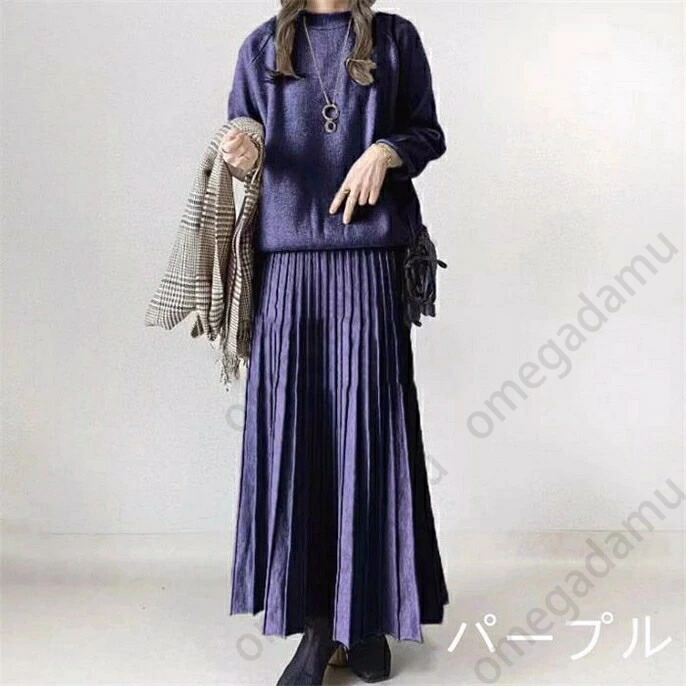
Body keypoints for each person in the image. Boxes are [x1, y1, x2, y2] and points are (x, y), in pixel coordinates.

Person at [222, 1, 448, 683]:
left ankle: (367, 616)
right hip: (289, 269)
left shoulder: (395, 39)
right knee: (300, 441)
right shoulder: (262, 46)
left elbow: (428, 133)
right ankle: (321, 626)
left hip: (368, 262)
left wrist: (386, 150)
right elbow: (243, 143)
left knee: (370, 437)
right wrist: (243, 152)